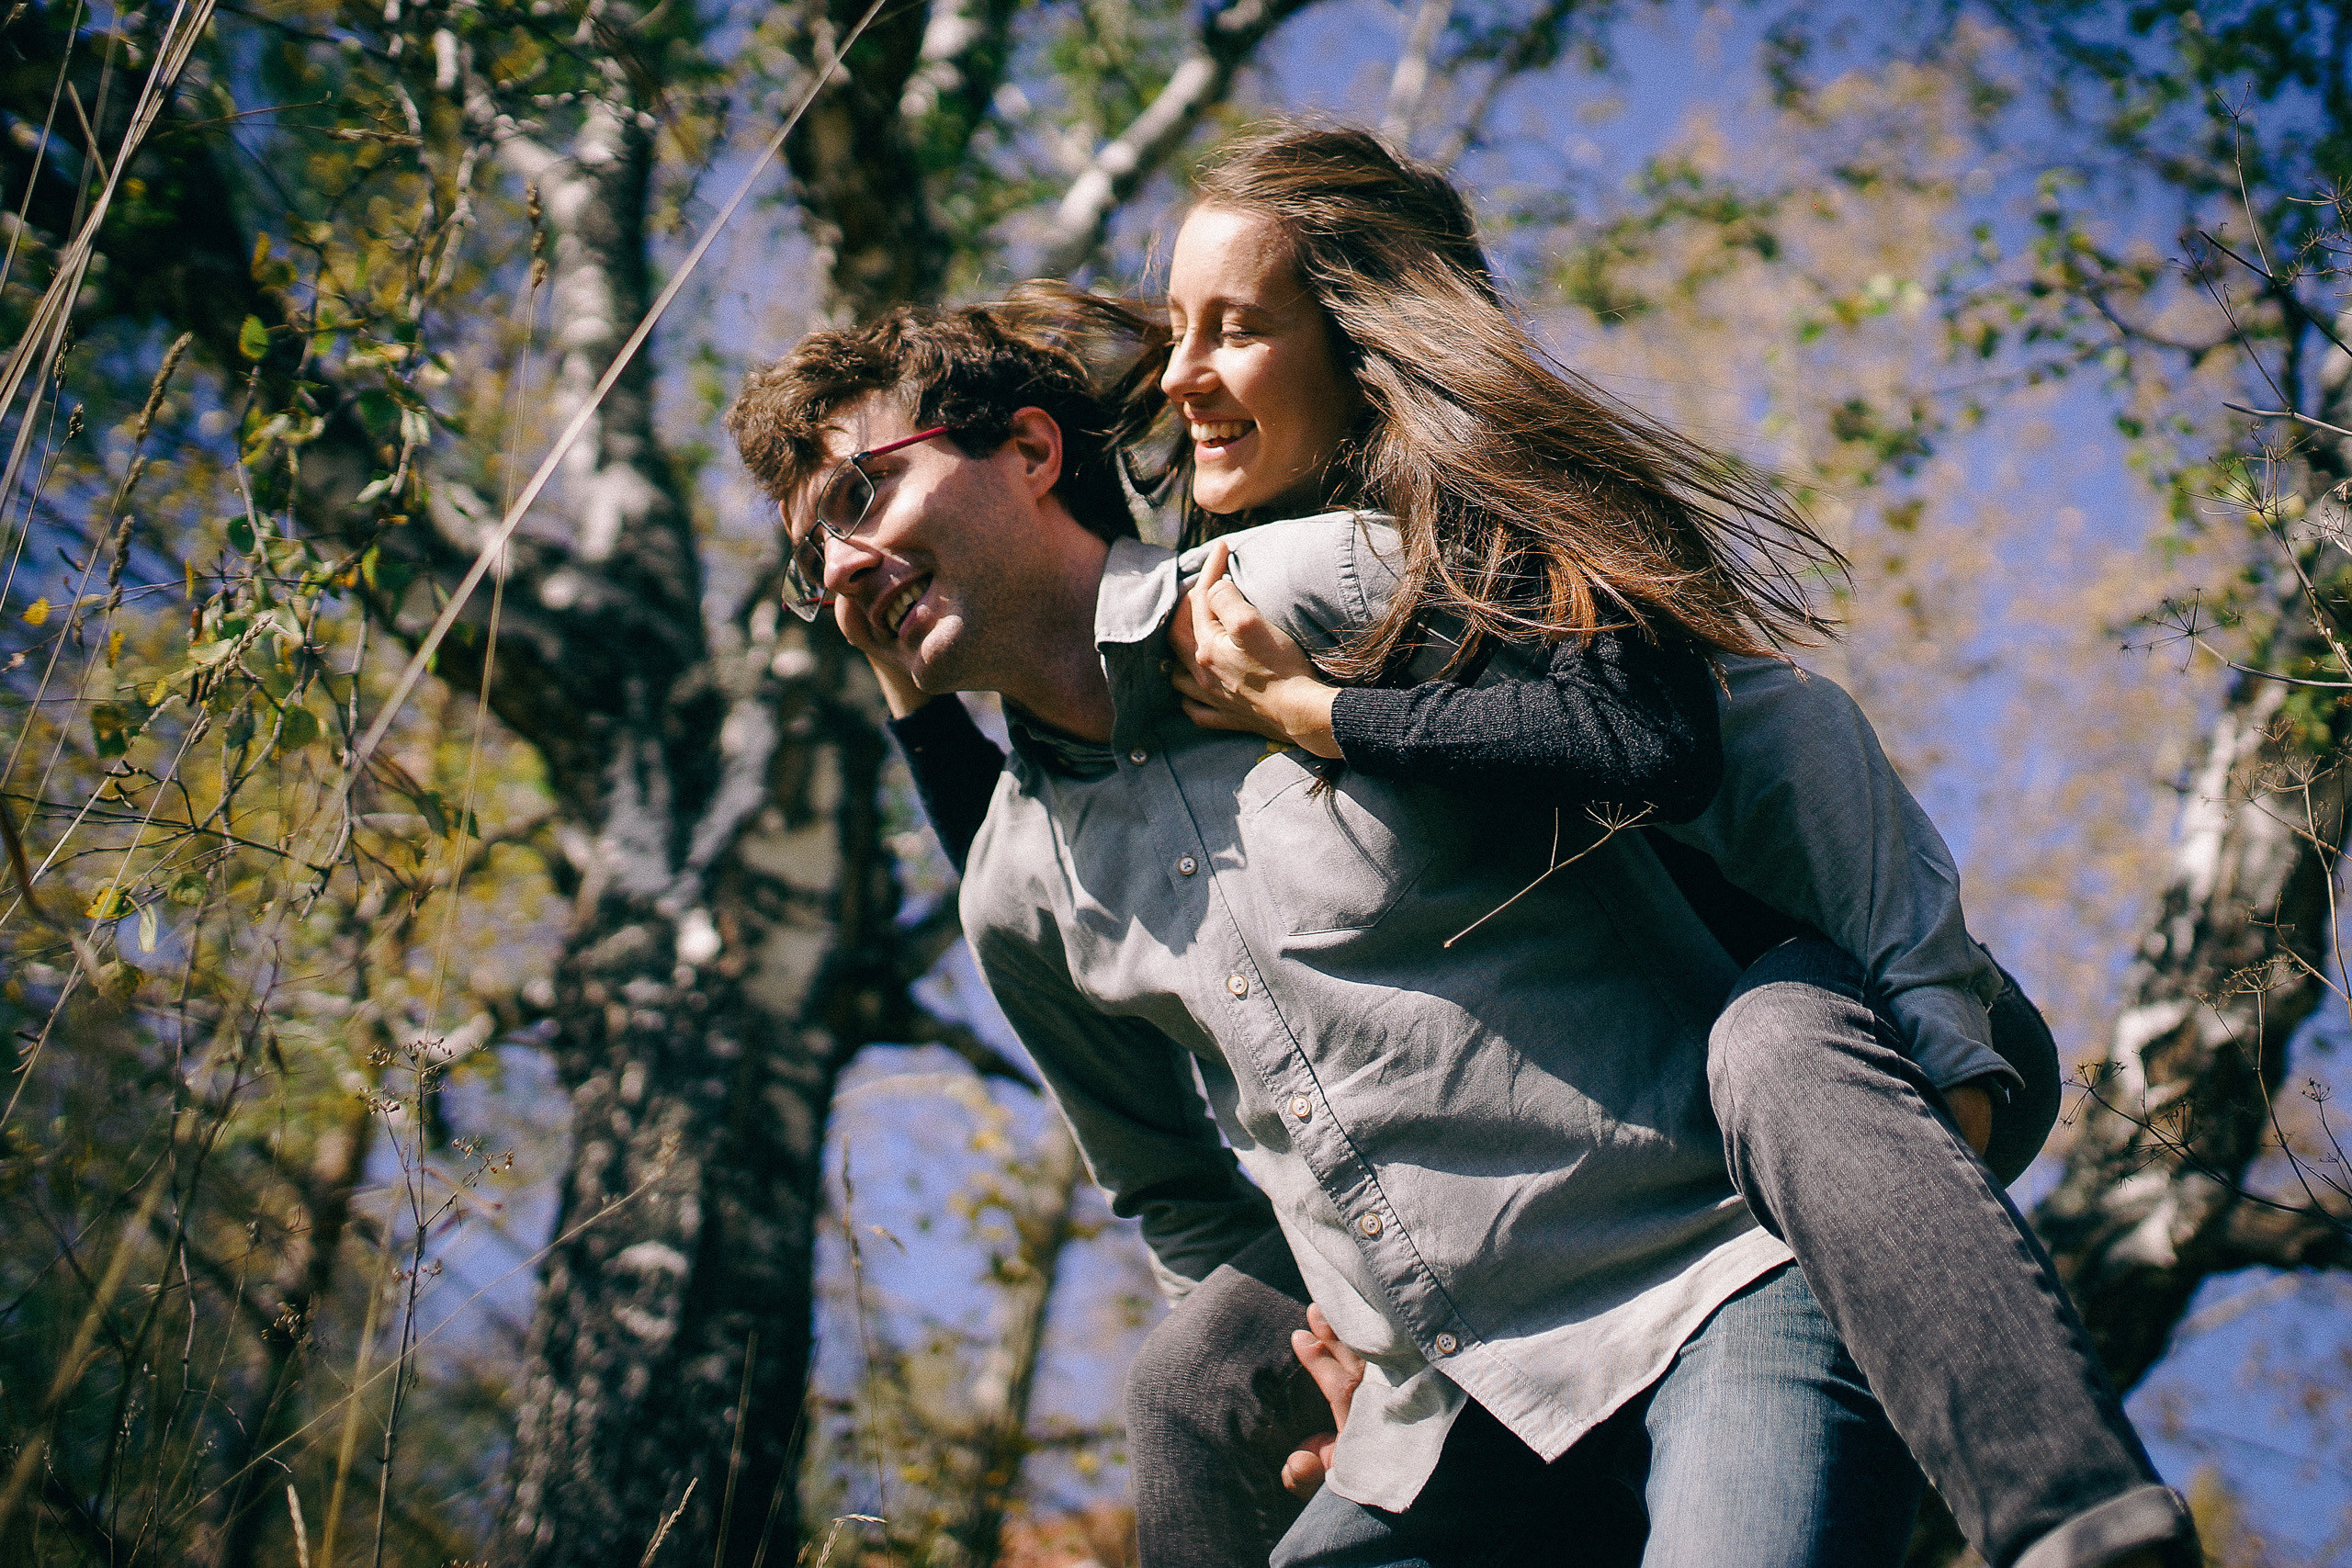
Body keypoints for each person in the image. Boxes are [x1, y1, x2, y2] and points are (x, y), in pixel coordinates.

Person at [723, 130, 2195, 1568]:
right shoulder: (1012, 896)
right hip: (1436, 1429)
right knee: (1182, 1377)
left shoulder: (1323, 578)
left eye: (865, 493)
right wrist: (1313, 1349)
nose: (841, 565)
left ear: (1031, 452)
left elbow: (1729, 731)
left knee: (1785, 1055)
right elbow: (1178, 1191)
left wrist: (1941, 1035)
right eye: (810, 560)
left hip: (1704, 1275)